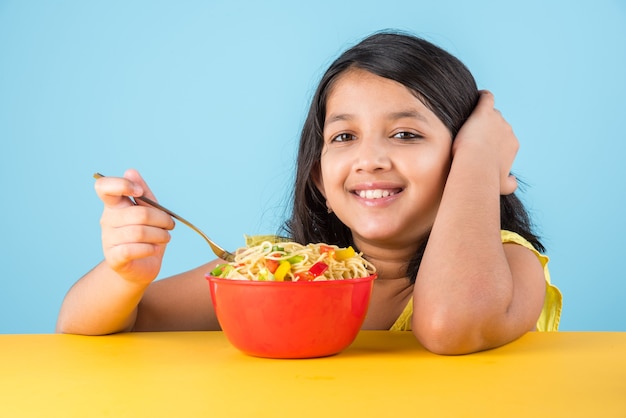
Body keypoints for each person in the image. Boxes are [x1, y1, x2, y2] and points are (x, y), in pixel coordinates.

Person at [56, 30, 561, 354]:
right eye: (343, 137)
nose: (369, 159)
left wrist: (477, 157)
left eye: (406, 134)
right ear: (317, 175)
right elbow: (88, 328)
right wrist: (125, 276)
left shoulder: (510, 266)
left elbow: (452, 325)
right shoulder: (279, 272)